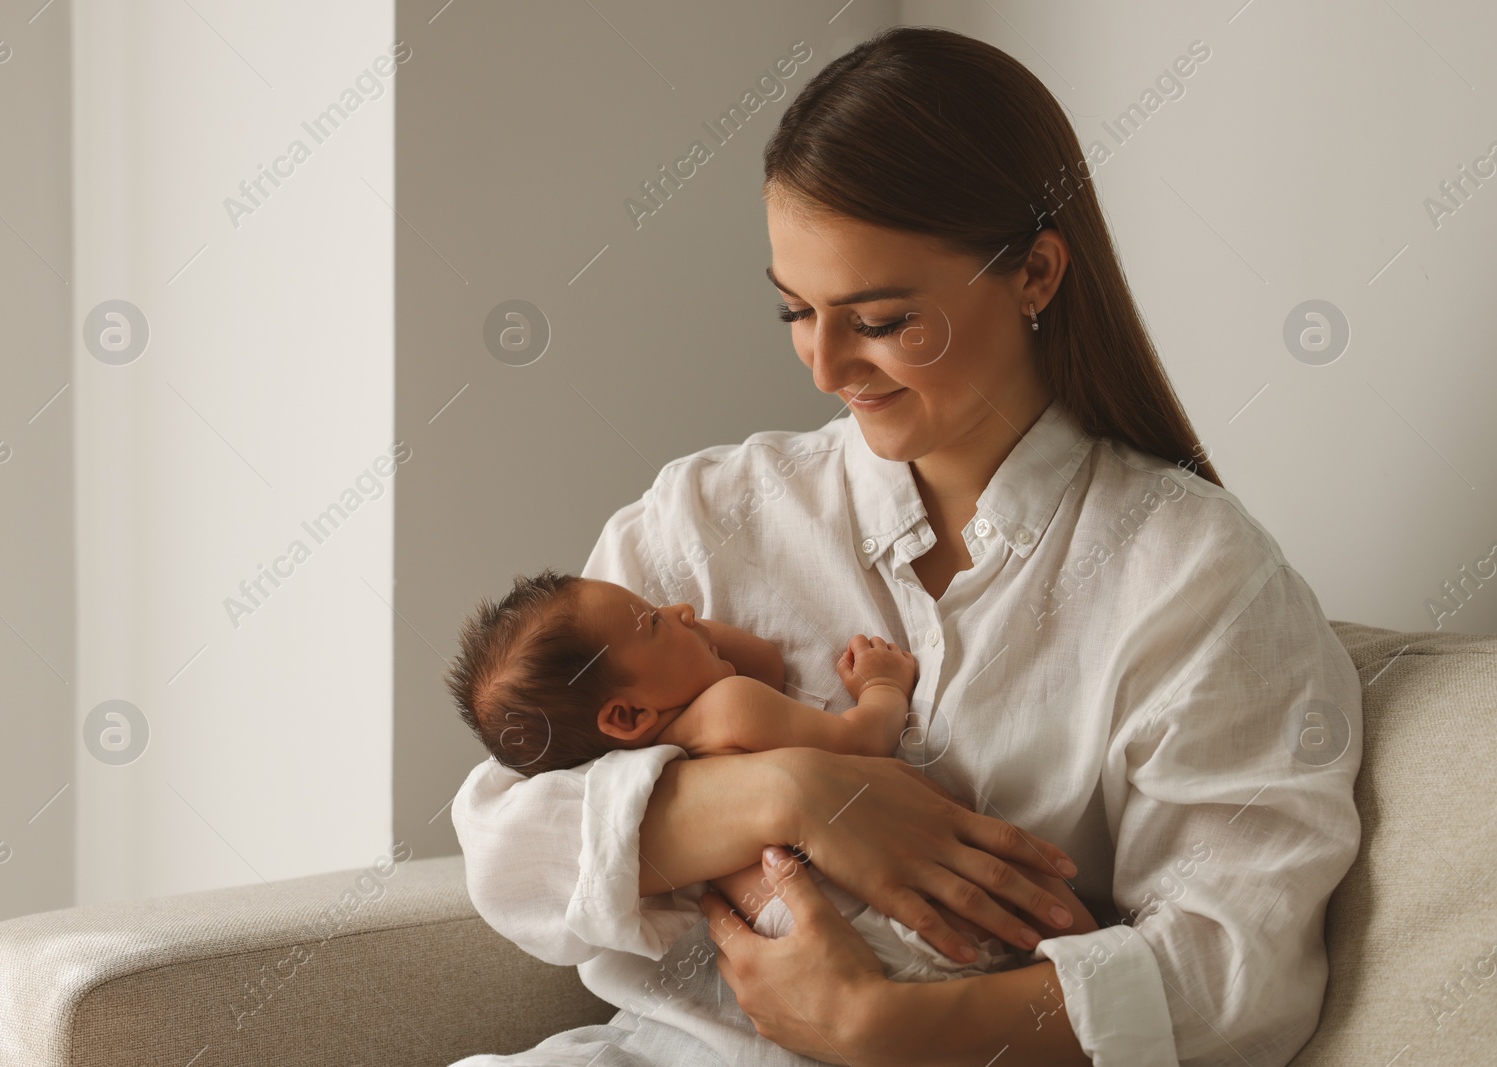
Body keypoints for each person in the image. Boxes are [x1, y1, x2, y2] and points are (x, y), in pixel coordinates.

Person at [450, 24, 1362, 1067]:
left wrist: (887, 1029)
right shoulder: (711, 513)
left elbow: (1237, 967)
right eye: (795, 310)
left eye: (879, 317)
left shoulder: (1194, 577)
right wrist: (791, 794)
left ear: (1035, 273)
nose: (826, 363)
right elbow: (507, 841)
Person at [444, 571, 1101, 985]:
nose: (680, 608)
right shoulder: (728, 710)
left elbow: (754, 663)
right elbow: (858, 738)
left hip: (805, 933)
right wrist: (880, 685)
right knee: (1043, 910)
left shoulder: (641, 768)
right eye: (651, 621)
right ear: (625, 713)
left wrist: (685, 635)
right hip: (866, 908)